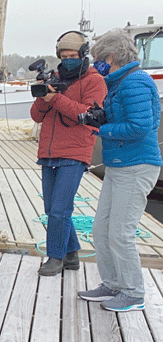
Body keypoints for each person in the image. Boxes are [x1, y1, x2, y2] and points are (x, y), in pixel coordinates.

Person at [78, 29, 162, 312]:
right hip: (119, 166)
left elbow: (141, 126)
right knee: (102, 229)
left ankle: (134, 292)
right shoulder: (119, 83)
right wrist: (103, 116)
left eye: (98, 58)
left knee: (121, 233)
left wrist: (102, 127)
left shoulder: (134, 82)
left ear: (110, 57)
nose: (95, 64)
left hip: (136, 167)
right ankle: (112, 283)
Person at [30, 31, 108, 276]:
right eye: (64, 56)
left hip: (75, 151)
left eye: (73, 55)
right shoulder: (54, 77)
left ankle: (55, 257)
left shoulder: (95, 81)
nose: (68, 59)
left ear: (83, 54)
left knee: (60, 209)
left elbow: (86, 114)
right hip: (49, 151)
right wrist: (45, 94)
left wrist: (56, 99)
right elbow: (35, 115)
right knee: (51, 207)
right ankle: (72, 253)